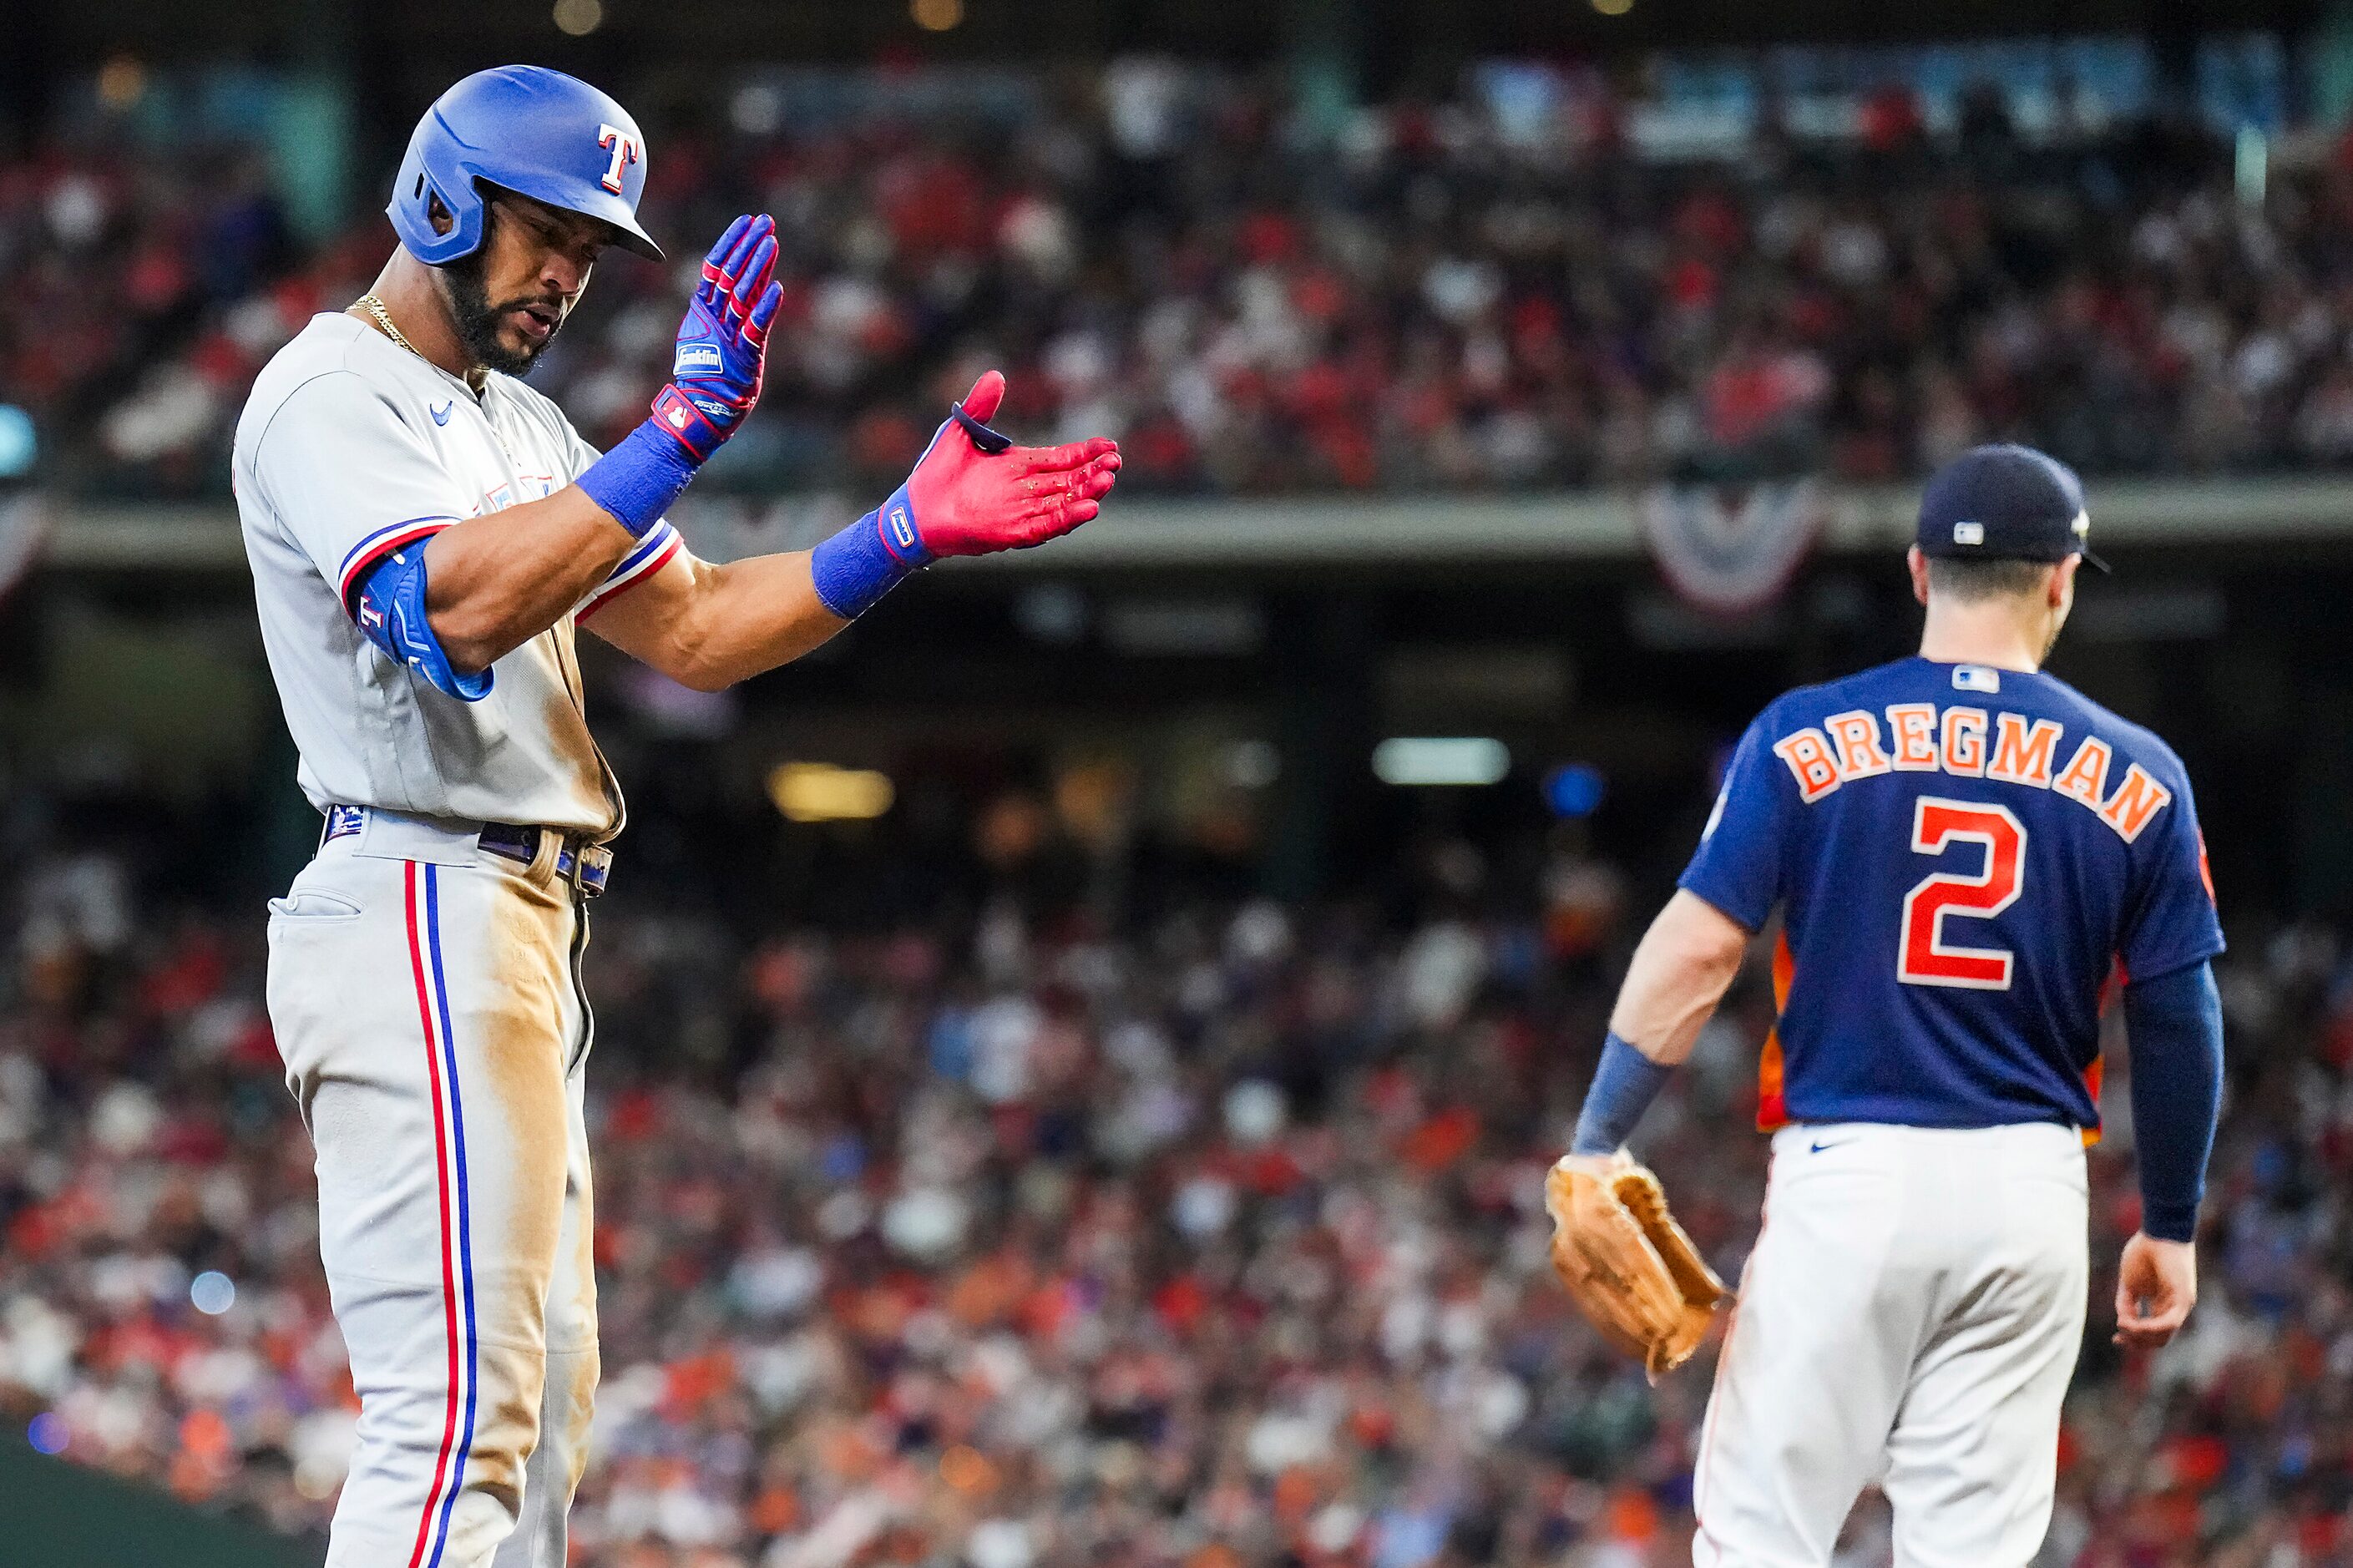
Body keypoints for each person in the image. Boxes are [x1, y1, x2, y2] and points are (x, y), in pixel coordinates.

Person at [230, 67, 1119, 1568]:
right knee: (456, 1422)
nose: (569, 275)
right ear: (443, 199)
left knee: (541, 1422)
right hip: (418, 898)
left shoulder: (516, 424)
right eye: (545, 231)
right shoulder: (327, 391)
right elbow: (447, 603)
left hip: (512, 925)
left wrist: (891, 538)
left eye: (592, 249)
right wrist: (679, 430)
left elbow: (697, 626)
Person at [1558, 445, 2225, 1565]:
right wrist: (2166, 1220)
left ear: (1919, 573)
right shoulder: (2139, 769)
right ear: (2059, 578)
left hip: (1847, 1177)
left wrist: (1598, 1133)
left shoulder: (1800, 733)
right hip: (2027, 1188)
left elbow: (1698, 949)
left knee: (1759, 1541)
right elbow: (2177, 1017)